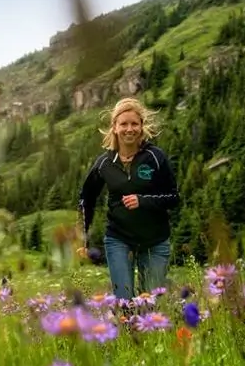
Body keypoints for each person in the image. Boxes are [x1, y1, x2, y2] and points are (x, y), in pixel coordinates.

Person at [77, 97, 180, 301]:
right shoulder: (104, 163)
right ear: (114, 127)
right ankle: (127, 329)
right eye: (124, 124)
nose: (129, 129)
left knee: (150, 304)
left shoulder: (155, 158)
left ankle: (147, 331)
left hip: (155, 241)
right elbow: (86, 199)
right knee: (124, 302)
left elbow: (174, 198)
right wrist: (84, 238)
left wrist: (143, 201)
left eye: (134, 123)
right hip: (118, 239)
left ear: (142, 127)